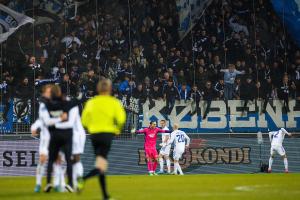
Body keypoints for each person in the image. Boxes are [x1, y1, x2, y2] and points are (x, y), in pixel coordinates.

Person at [81, 78, 126, 200]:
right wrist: (117, 129)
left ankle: (105, 195)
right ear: (110, 89)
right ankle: (83, 179)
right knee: (101, 165)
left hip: (94, 135)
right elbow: (121, 118)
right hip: (107, 135)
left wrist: (91, 127)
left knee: (100, 164)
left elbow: (84, 120)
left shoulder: (91, 102)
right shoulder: (113, 102)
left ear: (98, 89)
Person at [39, 85, 73, 192]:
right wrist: (61, 118)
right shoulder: (66, 102)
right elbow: (69, 119)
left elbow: (47, 121)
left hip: (53, 134)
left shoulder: (46, 104)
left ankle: (49, 183)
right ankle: (70, 184)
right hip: (66, 134)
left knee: (52, 160)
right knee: (67, 159)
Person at [54, 101, 86, 191]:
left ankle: (68, 183)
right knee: (74, 159)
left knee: (70, 159)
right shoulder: (69, 106)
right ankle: (73, 182)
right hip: (74, 134)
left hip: (74, 135)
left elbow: (69, 123)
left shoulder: (70, 107)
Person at [31, 85, 52, 192]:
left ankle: (59, 183)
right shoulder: (43, 105)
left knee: (58, 161)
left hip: (56, 137)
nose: (49, 94)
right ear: (44, 93)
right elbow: (41, 120)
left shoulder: (57, 103)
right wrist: (34, 127)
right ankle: (38, 184)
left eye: (50, 92)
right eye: (48, 92)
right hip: (45, 137)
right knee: (42, 160)